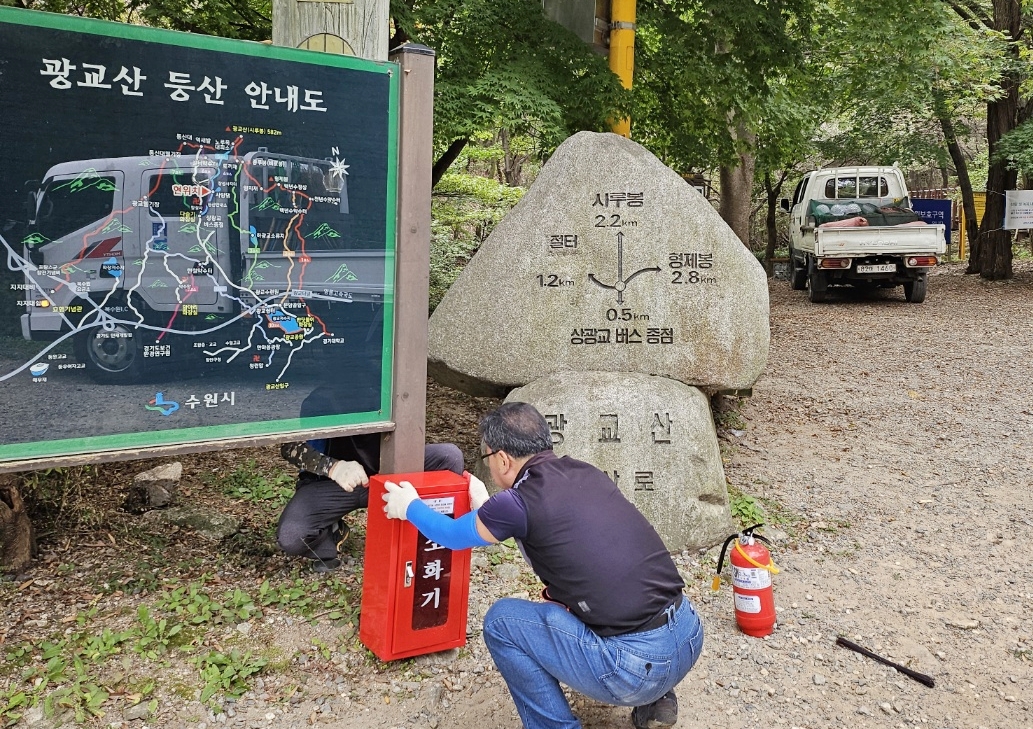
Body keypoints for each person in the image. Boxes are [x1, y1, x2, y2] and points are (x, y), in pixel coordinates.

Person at [381, 402, 703, 729]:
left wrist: (409, 507)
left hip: (635, 668)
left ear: (502, 459)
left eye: (487, 459)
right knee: (616, 580)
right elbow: (545, 533)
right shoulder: (583, 471)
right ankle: (658, 702)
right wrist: (485, 505)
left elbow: (451, 535)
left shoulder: (518, 502)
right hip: (689, 634)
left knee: (501, 622)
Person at [278, 433, 464, 572]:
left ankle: (427, 542)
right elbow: (290, 446)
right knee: (292, 536)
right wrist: (333, 467)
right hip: (335, 483)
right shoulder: (318, 397)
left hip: (390, 475)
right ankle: (331, 536)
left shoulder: (389, 388)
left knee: (449, 457)